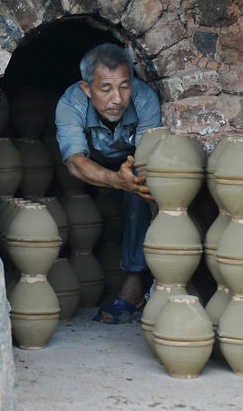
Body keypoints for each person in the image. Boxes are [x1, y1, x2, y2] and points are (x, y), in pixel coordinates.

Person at [54, 43, 161, 324]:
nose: (117, 99)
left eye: (124, 87)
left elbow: (148, 158)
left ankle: (136, 281)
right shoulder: (71, 103)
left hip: (131, 164)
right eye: (106, 89)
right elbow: (75, 160)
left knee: (140, 185)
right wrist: (114, 180)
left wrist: (127, 180)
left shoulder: (144, 98)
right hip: (92, 166)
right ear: (87, 88)